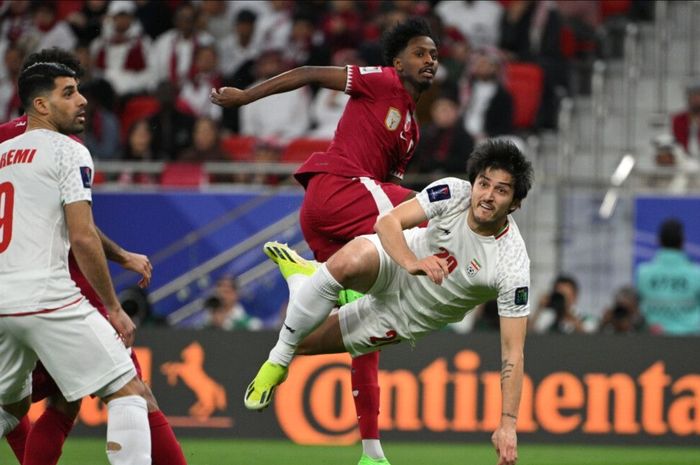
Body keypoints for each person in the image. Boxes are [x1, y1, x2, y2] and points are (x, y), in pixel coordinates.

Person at [212, 17, 439, 465]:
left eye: (433, 54)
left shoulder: (411, 131)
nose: (429, 60)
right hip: (337, 188)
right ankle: (312, 283)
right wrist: (245, 97)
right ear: (397, 61)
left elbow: (385, 208)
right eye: (420, 52)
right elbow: (310, 73)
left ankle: (371, 452)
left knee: (363, 329)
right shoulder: (382, 81)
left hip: (337, 221)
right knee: (433, 208)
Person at [252, 139, 533, 465]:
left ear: (515, 203)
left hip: (405, 316)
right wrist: (411, 262)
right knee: (349, 260)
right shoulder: (453, 193)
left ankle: (306, 280)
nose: (487, 196)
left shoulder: (512, 264)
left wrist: (508, 424)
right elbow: (386, 223)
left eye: (501, 190)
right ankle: (279, 358)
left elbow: (513, 352)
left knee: (304, 340)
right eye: (483, 184)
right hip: (396, 259)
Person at [0, 48, 187, 465]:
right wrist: (115, 307)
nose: (82, 100)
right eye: (70, 92)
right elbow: (81, 234)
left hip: (3, 300)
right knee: (130, 391)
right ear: (41, 101)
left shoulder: (3, 150)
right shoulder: (68, 149)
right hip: (52, 293)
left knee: (13, 410)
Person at [636, 218, 700, 335]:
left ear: (659, 241)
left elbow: (639, 309)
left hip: (654, 343)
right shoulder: (697, 274)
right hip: (692, 344)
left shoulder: (643, 273)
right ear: (682, 241)